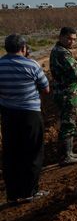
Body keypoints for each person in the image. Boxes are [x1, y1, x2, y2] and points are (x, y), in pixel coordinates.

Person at [0, 34, 50, 203]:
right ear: (23, 48)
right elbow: (46, 88)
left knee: (11, 153)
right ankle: (30, 191)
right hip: (30, 113)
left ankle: (12, 195)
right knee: (33, 152)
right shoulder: (32, 65)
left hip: (8, 114)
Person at [49, 27, 77, 165]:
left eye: (74, 39)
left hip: (66, 93)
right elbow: (76, 72)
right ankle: (66, 156)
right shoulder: (62, 53)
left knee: (69, 123)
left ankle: (68, 153)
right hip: (67, 94)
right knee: (68, 124)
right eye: (68, 38)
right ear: (60, 37)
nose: (71, 41)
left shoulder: (60, 51)